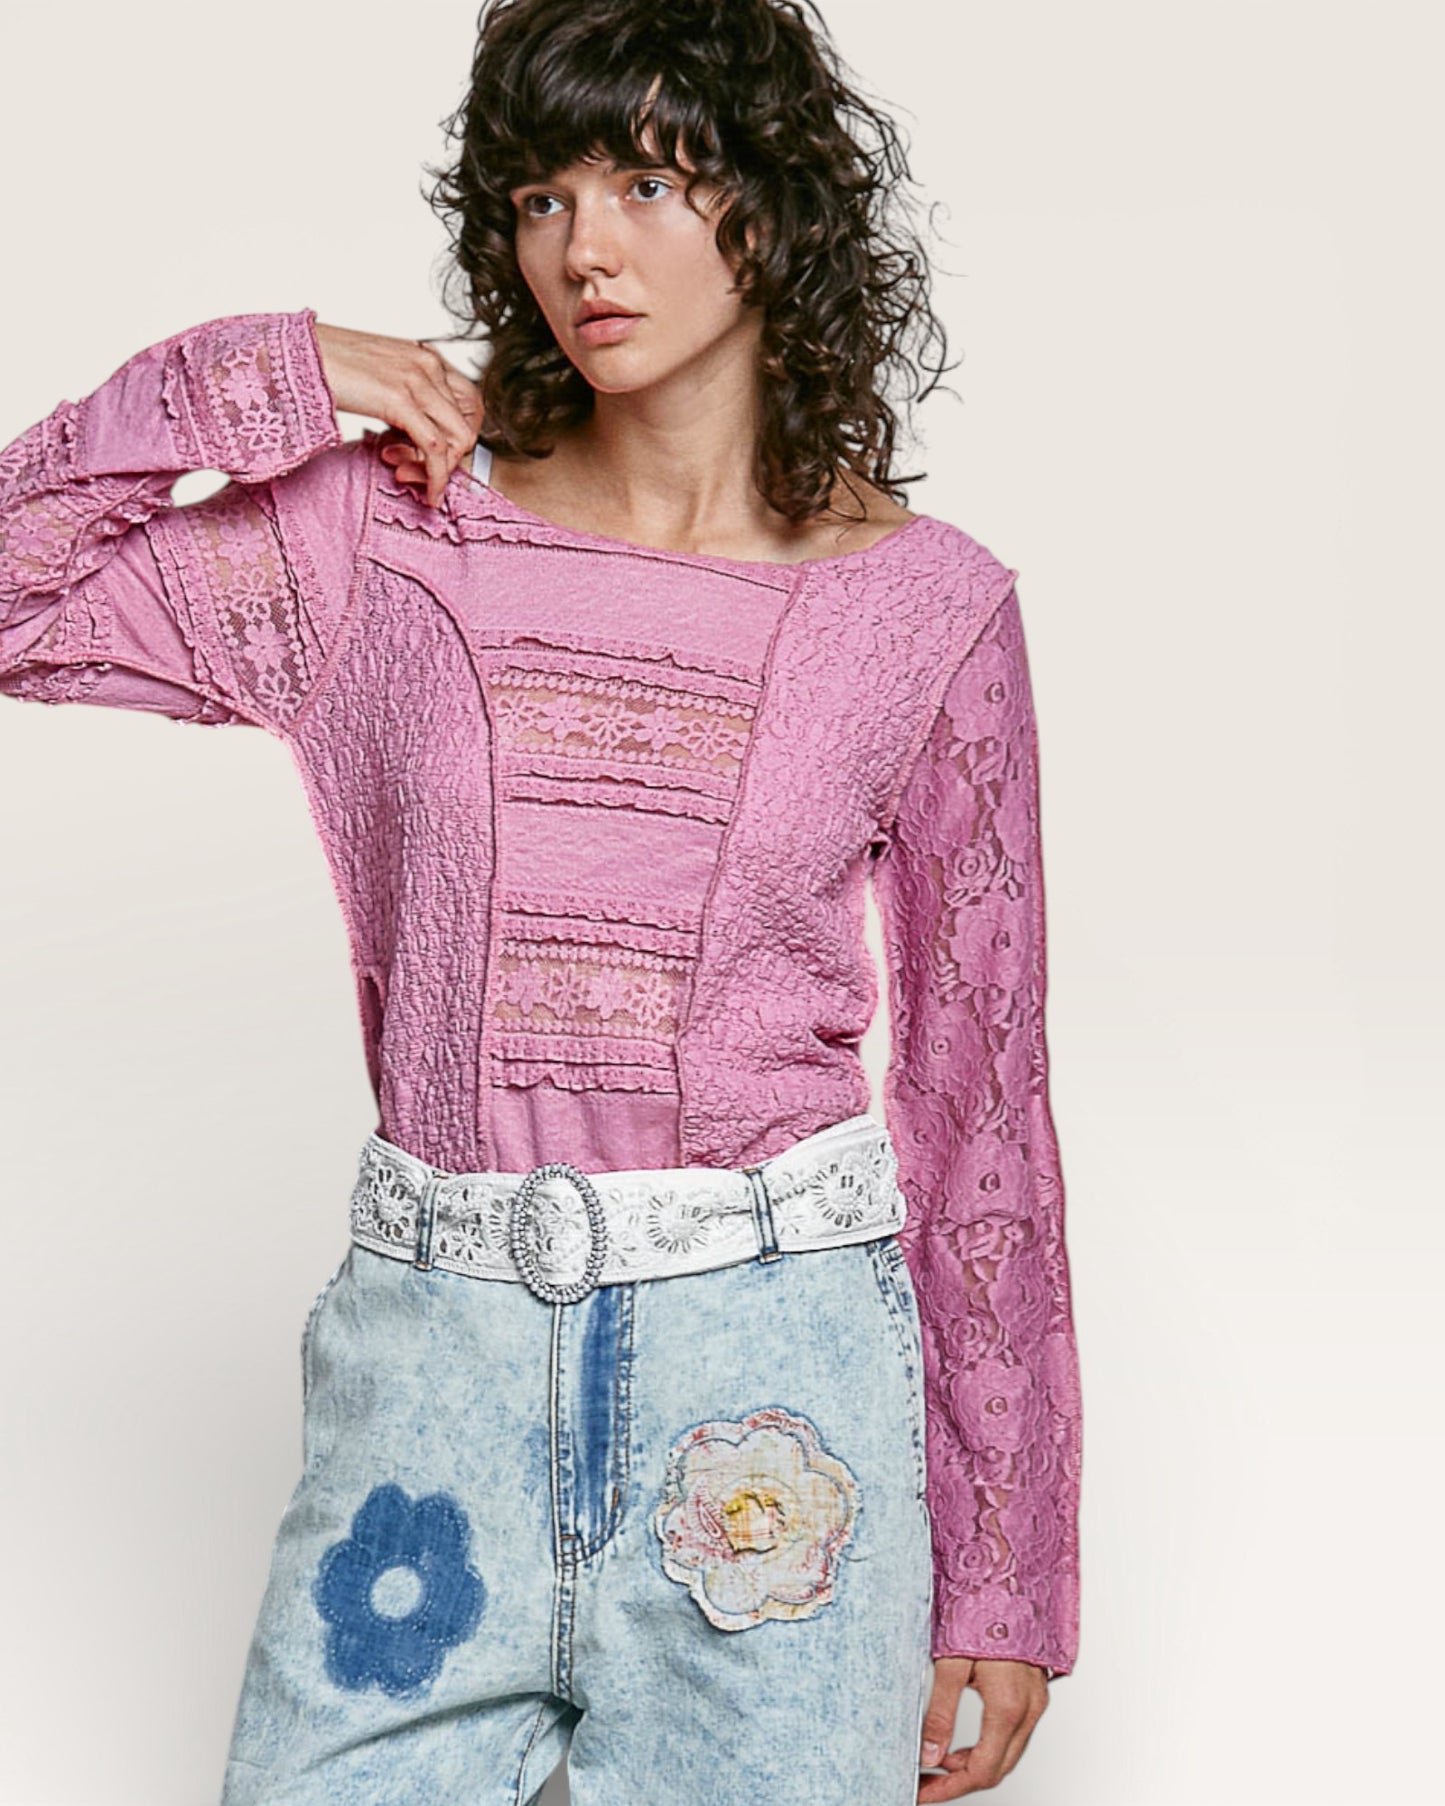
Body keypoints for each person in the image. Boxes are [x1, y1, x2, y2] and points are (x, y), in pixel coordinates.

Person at [0, 0, 1082, 1799]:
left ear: (769, 204)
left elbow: (981, 1102)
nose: (584, 247)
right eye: (537, 196)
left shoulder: (923, 613)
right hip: (428, 1390)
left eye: (647, 181)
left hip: (778, 1403)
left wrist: (1005, 1563)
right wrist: (264, 371)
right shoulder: (384, 536)